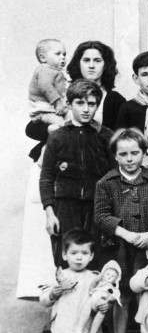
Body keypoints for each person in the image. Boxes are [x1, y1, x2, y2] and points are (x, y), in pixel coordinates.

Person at [94, 127, 148, 333]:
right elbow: (101, 216)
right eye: (123, 154)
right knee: (121, 295)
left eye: (135, 153)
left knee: (146, 291)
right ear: (115, 156)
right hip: (118, 248)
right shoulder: (106, 183)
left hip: (147, 246)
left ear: (144, 154)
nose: (129, 159)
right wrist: (126, 234)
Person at [39, 79, 113, 267]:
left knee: (95, 260)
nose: (86, 109)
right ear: (70, 104)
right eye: (80, 103)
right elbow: (46, 177)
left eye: (91, 103)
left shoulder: (105, 136)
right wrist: (50, 213)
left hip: (97, 207)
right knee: (66, 260)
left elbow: (114, 176)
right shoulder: (57, 136)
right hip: (65, 206)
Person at [67, 40, 125, 130]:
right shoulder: (61, 93)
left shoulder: (115, 100)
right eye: (86, 60)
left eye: (97, 61)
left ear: (106, 65)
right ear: (78, 64)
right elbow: (38, 127)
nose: (91, 65)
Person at [28, 38, 68, 131]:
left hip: (52, 109)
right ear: (43, 58)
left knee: (68, 121)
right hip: (44, 111)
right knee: (63, 125)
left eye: (64, 54)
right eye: (58, 54)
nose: (63, 57)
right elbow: (45, 86)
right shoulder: (44, 70)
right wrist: (58, 102)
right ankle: (52, 136)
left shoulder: (56, 71)